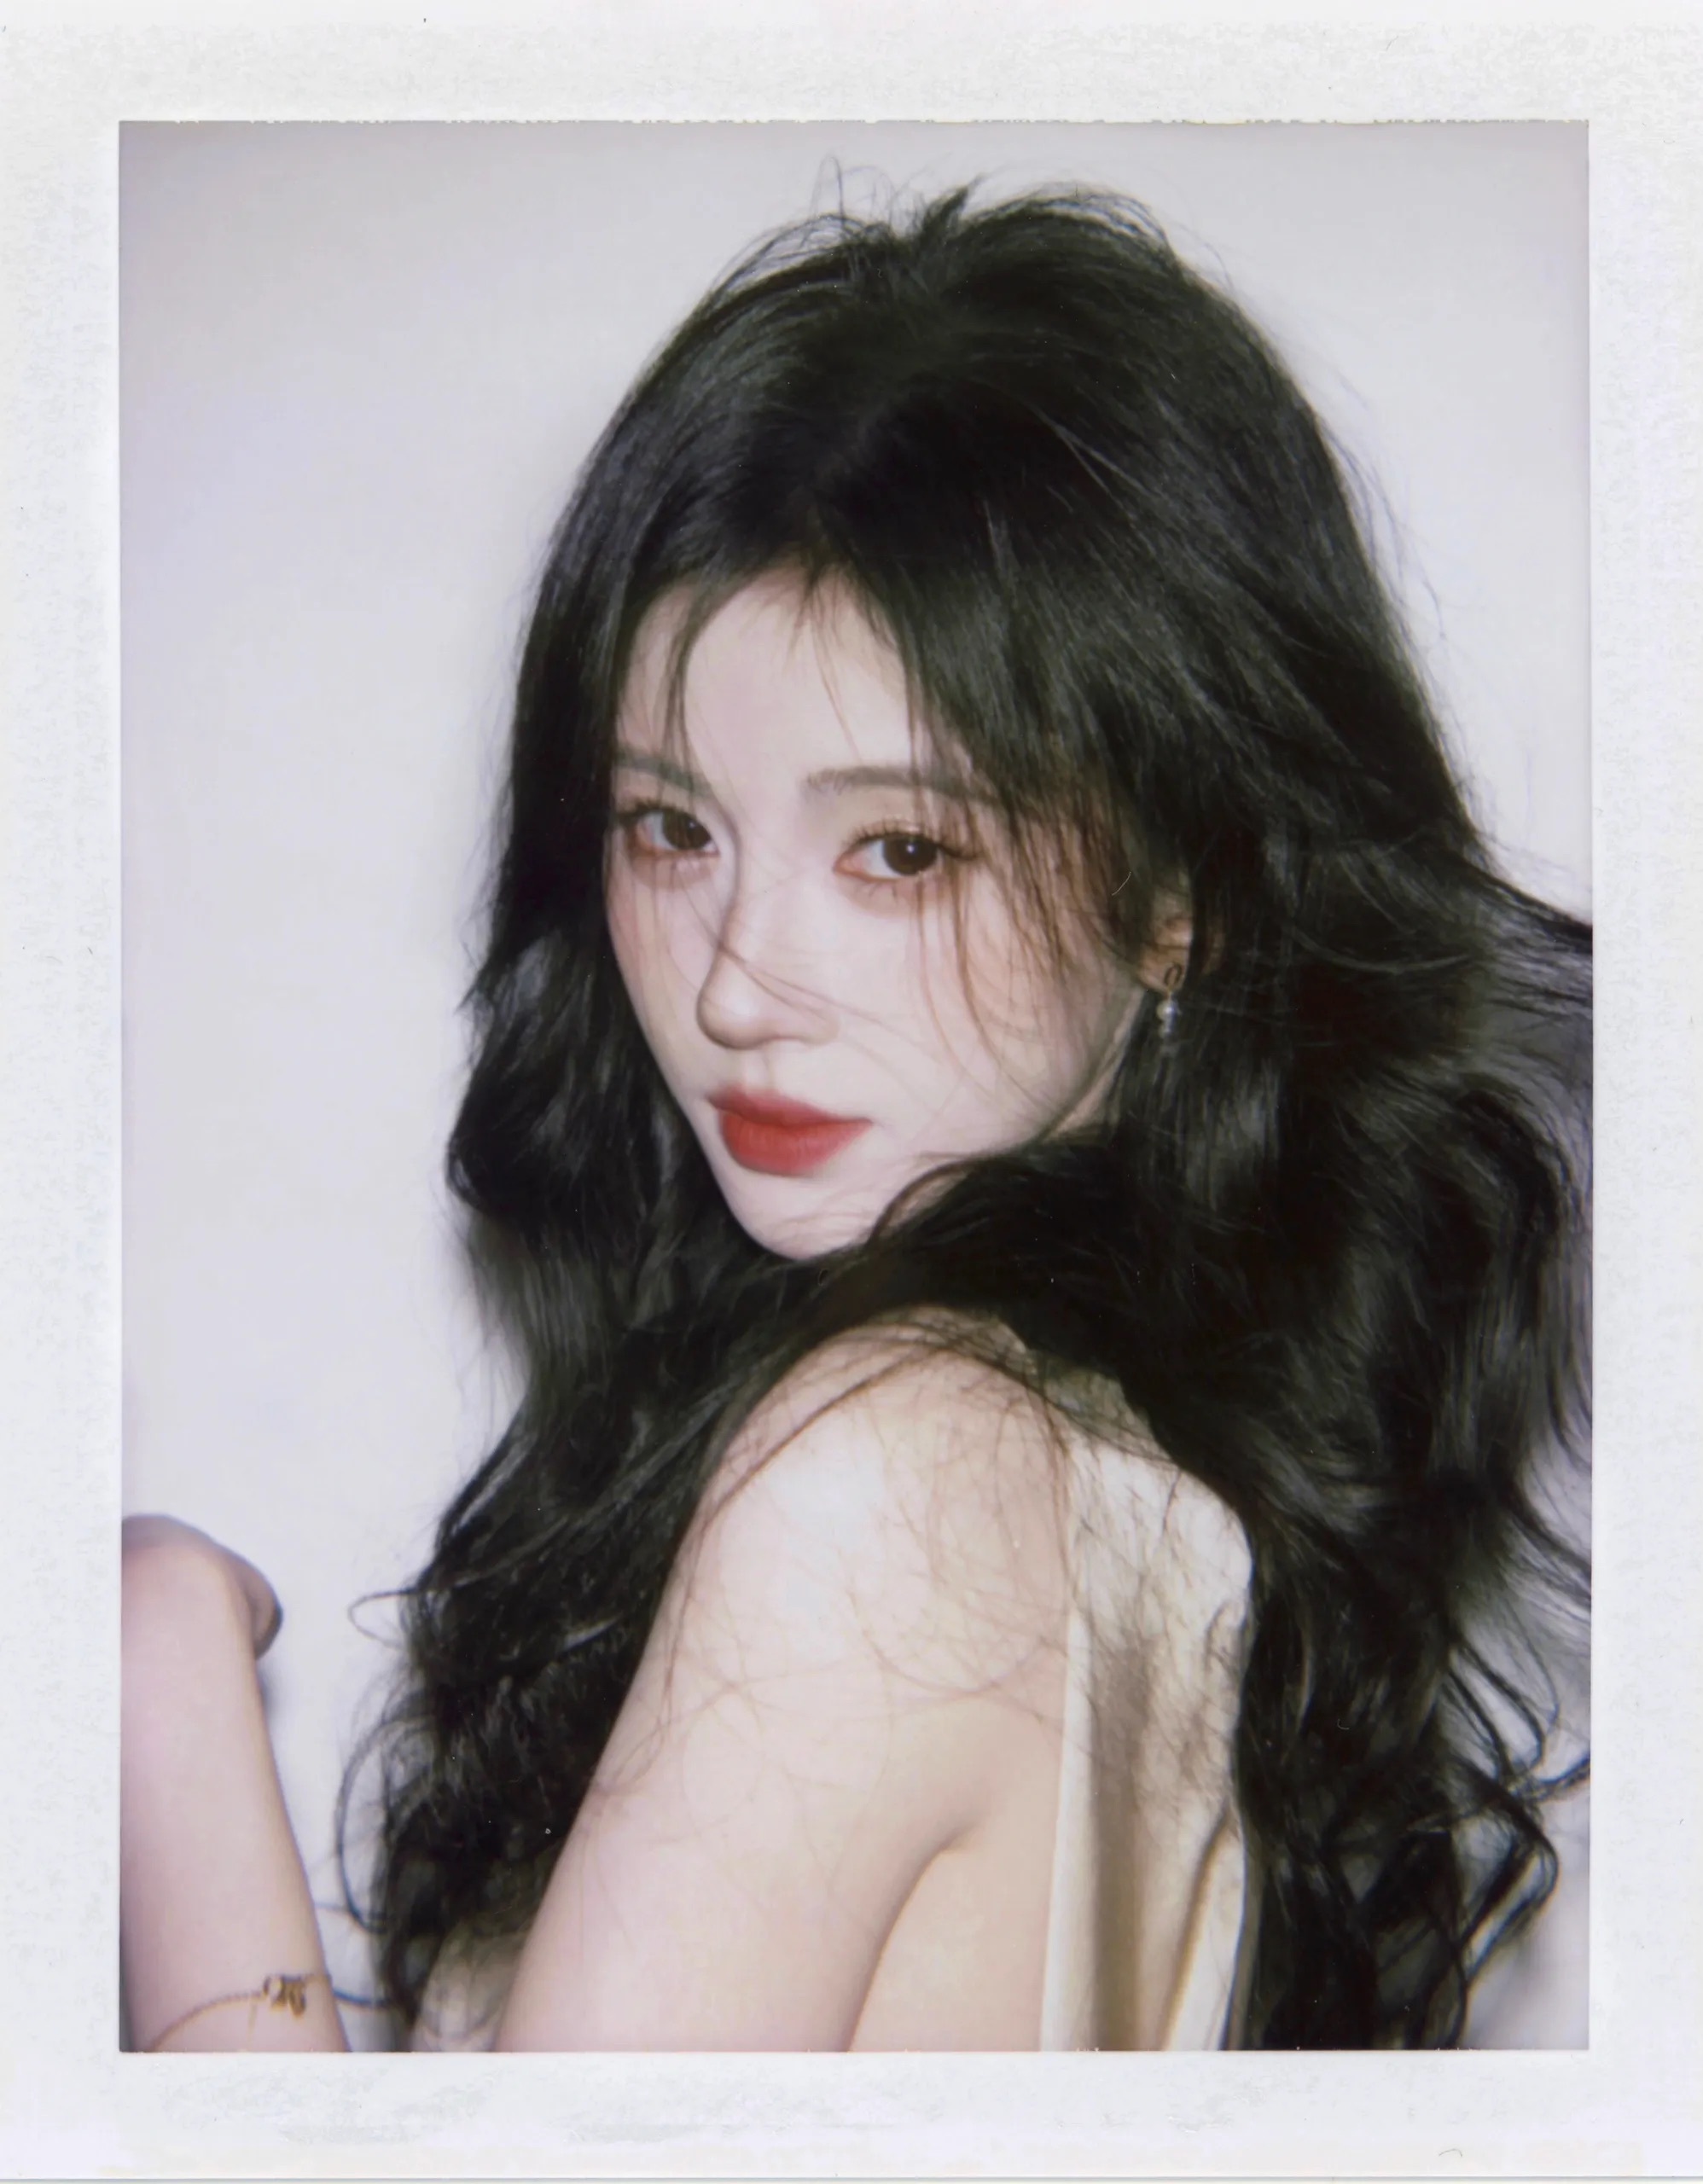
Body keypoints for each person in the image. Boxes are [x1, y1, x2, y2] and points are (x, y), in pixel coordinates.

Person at [120, 185, 1590, 2053]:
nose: (738, 982)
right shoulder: (1124, 1481)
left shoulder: (891, 1478)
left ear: (1180, 894)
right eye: (672, 827)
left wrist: (165, 1704)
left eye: (900, 849)